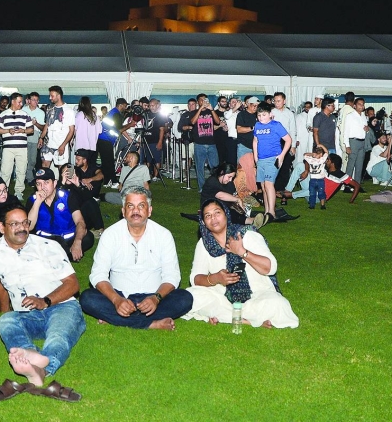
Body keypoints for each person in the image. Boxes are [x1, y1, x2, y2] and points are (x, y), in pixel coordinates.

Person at [0, 205, 85, 400]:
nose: (22, 228)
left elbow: (73, 284)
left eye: (25, 223)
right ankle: (31, 354)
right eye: (14, 224)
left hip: (61, 306)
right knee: (5, 322)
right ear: (2, 227)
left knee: (58, 336)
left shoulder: (47, 246)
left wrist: (45, 301)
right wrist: (4, 310)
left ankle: (41, 370)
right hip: (27, 314)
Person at [80, 188, 193, 330]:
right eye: (130, 206)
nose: (135, 211)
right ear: (123, 211)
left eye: (141, 206)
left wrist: (156, 298)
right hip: (119, 295)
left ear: (149, 210)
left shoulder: (163, 235)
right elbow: (98, 274)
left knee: (185, 298)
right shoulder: (110, 235)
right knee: (87, 298)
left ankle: (117, 319)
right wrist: (116, 300)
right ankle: (152, 324)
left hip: (154, 297)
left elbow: (173, 276)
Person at [183, 199, 298, 328]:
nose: (213, 218)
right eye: (208, 216)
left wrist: (242, 251)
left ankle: (228, 317)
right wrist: (216, 278)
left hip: (257, 294)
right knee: (192, 296)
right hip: (222, 297)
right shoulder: (204, 244)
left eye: (217, 213)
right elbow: (195, 279)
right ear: (203, 222)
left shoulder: (247, 234)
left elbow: (270, 268)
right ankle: (249, 320)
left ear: (226, 214)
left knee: (277, 304)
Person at [27, 168, 92, 261]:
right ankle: (64, 255)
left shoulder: (67, 196)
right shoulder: (33, 200)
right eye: (38, 184)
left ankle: (55, 255)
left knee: (88, 238)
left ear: (54, 183)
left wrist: (77, 242)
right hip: (45, 240)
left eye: (46, 182)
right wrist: (37, 203)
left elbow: (80, 221)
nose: (42, 187)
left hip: (67, 238)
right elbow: (29, 227)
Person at [253, 102, 291, 221]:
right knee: (263, 186)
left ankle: (272, 213)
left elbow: (288, 140)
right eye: (259, 115)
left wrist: (281, 156)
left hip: (272, 159)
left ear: (270, 114)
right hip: (261, 160)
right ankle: (266, 212)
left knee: (269, 184)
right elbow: (255, 141)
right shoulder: (257, 126)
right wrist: (255, 158)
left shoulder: (276, 125)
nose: (261, 118)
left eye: (264, 115)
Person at [0, 93, 34, 200]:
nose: (21, 104)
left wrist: (23, 130)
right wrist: (8, 130)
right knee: (5, 170)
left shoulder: (25, 114)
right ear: (12, 101)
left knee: (21, 170)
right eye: (19, 102)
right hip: (8, 147)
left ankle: (19, 191)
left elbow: (31, 129)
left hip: (22, 147)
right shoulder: (3, 114)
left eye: (21, 102)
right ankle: (4, 190)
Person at [39, 86, 75, 172]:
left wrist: (63, 145)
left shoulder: (69, 111)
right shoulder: (49, 109)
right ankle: (44, 184)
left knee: (63, 169)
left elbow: (71, 131)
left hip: (60, 144)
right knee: (44, 166)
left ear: (58, 96)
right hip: (48, 144)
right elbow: (47, 125)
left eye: (52, 96)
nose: (50, 98)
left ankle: (63, 185)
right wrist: (41, 137)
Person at [190, 93, 222, 193]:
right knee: (200, 167)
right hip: (199, 144)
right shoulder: (194, 112)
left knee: (215, 167)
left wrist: (211, 109)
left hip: (211, 143)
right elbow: (192, 122)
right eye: (201, 100)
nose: (203, 101)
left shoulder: (211, 111)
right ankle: (202, 188)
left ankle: (215, 186)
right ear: (198, 102)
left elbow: (217, 122)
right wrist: (200, 109)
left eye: (205, 99)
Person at [98, 98, 127, 187]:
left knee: (106, 162)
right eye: (125, 106)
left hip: (103, 139)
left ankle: (106, 182)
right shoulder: (116, 114)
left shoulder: (112, 112)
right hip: (106, 139)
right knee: (109, 162)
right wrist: (130, 124)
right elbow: (120, 129)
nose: (125, 108)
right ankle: (114, 181)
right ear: (120, 105)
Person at [343, 95, 369, 184]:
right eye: (359, 104)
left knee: (359, 165)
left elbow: (365, 129)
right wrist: (347, 145)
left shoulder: (364, 116)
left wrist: (367, 129)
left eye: (363, 104)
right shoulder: (350, 116)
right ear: (354, 105)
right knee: (351, 164)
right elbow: (345, 131)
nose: (361, 106)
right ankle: (347, 184)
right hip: (353, 141)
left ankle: (357, 184)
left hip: (362, 142)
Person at [22, 92, 45, 187]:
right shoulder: (23, 110)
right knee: (23, 159)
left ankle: (28, 176)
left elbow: (43, 128)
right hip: (23, 134)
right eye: (33, 100)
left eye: (36, 100)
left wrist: (35, 123)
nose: (35, 102)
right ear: (29, 101)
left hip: (35, 135)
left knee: (32, 160)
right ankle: (28, 178)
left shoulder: (40, 112)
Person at [303, 145, 329, 209]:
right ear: (320, 154)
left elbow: (304, 155)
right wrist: (322, 146)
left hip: (313, 180)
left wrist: (312, 154)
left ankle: (312, 205)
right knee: (321, 192)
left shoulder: (310, 159)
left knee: (312, 193)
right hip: (320, 180)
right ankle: (322, 205)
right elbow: (327, 152)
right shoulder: (322, 160)